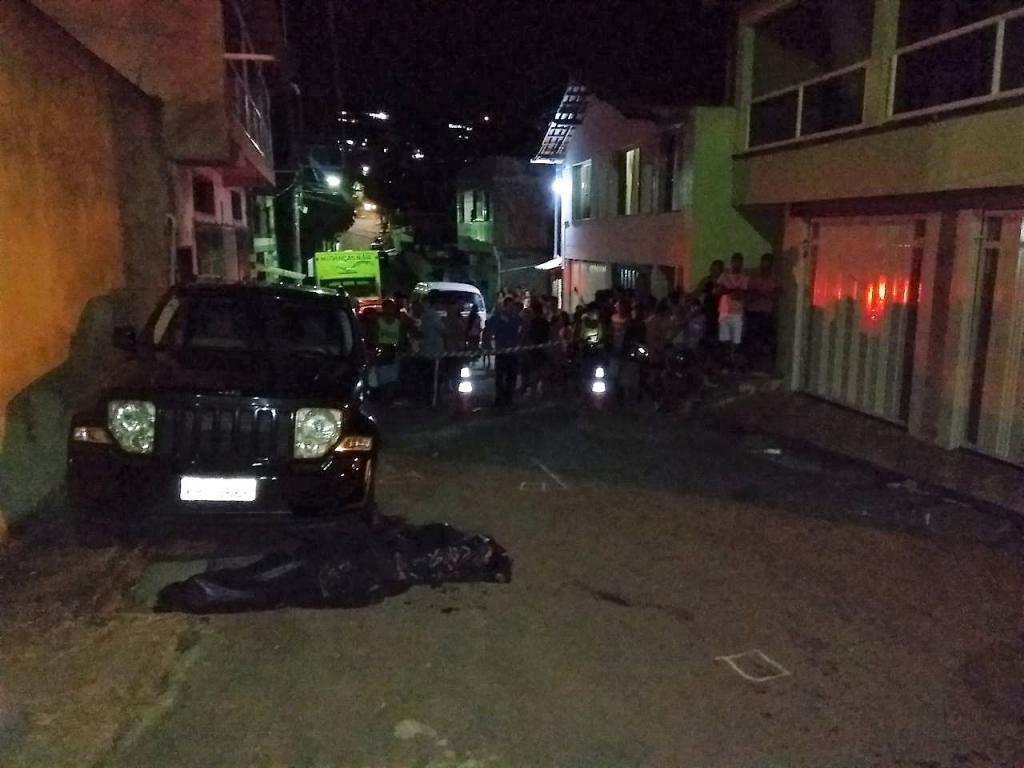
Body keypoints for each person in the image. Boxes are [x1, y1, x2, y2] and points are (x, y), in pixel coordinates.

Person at [745, 252, 781, 370]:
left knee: (764, 339)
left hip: (765, 313)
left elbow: (776, 294)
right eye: (763, 263)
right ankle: (751, 365)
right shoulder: (754, 278)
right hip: (752, 312)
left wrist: (762, 293)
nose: (764, 266)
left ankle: (763, 365)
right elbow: (749, 294)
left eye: (767, 264)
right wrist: (762, 294)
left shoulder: (774, 279)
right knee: (752, 339)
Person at [488, 297, 523, 407]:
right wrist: (488, 343)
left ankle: (508, 398)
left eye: (512, 306)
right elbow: (488, 327)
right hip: (501, 352)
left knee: (511, 377)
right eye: (509, 306)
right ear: (505, 306)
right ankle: (499, 398)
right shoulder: (498, 317)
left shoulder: (515, 318)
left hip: (512, 352)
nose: (511, 308)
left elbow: (522, 328)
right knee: (500, 377)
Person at [715, 253, 747, 365]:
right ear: (732, 262)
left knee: (736, 339)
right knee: (725, 339)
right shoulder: (724, 276)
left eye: (739, 262)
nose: (737, 264)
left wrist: (727, 290)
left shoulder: (744, 277)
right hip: (724, 311)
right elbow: (717, 291)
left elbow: (740, 295)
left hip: (737, 312)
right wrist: (731, 290)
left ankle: (733, 361)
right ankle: (726, 361)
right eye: (735, 261)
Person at [417, 290, 446, 402]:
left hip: (426, 350)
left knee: (428, 379)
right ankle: (432, 401)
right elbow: (443, 330)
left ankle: (429, 399)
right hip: (433, 353)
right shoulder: (432, 314)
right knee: (433, 379)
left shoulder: (425, 314)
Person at [373, 299, 402, 403]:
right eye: (388, 307)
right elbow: (373, 338)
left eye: (392, 307)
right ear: (384, 308)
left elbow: (401, 339)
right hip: (382, 353)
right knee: (382, 378)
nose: (390, 310)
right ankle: (383, 399)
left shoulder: (398, 323)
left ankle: (389, 400)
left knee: (392, 378)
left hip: (394, 353)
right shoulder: (378, 322)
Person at [697, 260, 724, 353]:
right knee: (707, 333)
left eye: (716, 268)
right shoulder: (706, 280)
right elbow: (697, 292)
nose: (713, 270)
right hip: (708, 310)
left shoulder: (725, 281)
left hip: (721, 312)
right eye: (712, 268)